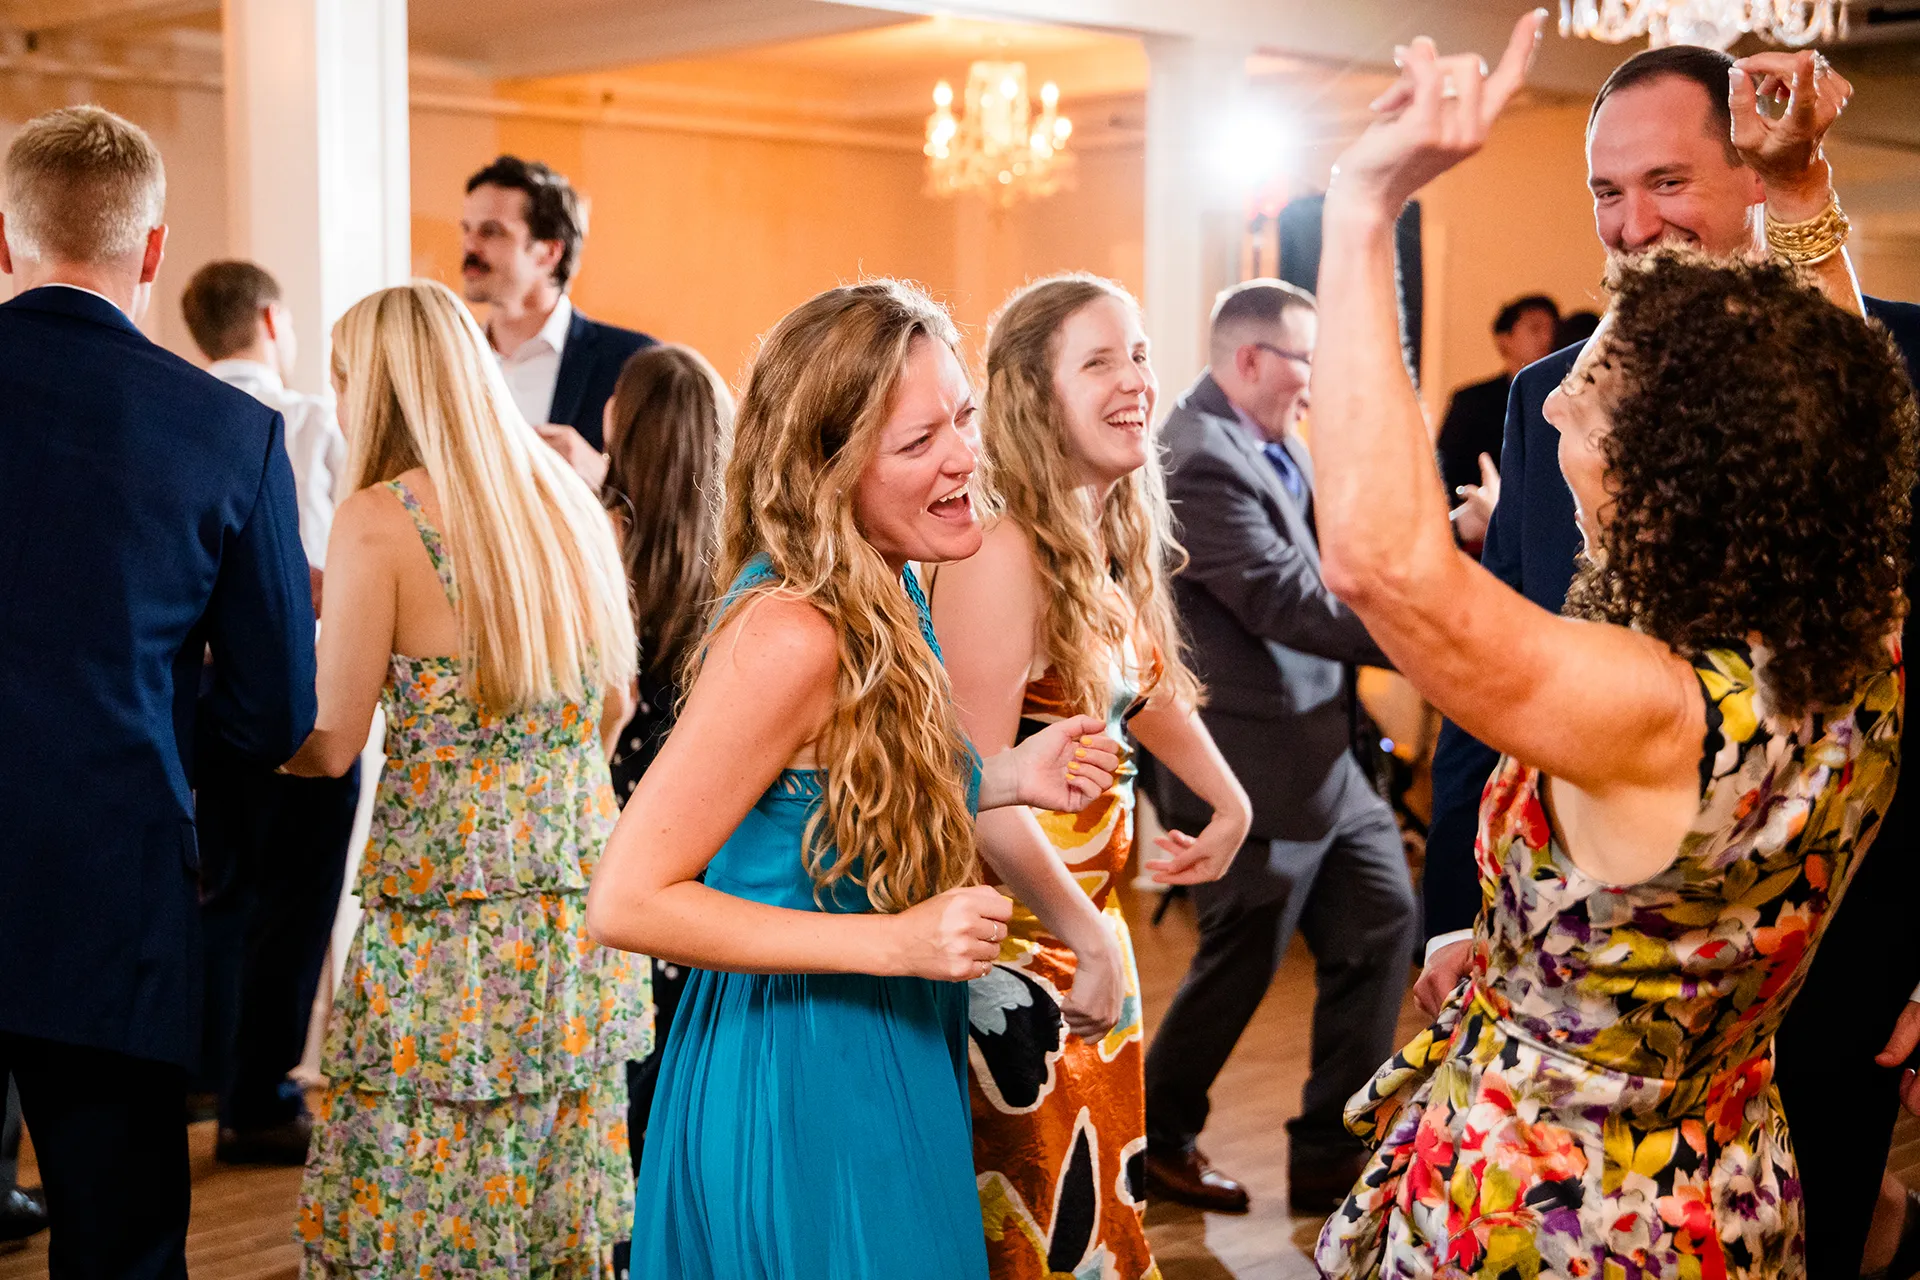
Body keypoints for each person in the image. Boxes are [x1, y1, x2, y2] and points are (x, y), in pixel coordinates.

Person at [1308, 14, 1919, 1277]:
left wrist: (1362, 208)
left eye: (1599, 400)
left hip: (1559, 1210)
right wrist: (1801, 186)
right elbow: (1850, 416)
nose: (1571, 392)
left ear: (1672, 466)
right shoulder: (1854, 652)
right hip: (1725, 1175)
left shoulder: (1651, 710)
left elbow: (1382, 564)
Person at [584, 279, 1126, 1280]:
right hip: (796, 1073)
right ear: (827, 469)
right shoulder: (791, 631)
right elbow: (626, 897)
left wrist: (1000, 775)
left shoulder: (891, 577)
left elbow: (827, 795)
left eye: (962, 418)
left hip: (889, 1044)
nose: (965, 456)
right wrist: (895, 940)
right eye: (919, 442)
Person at [0, 105, 317, 1278]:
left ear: (2, 239)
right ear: (151, 249)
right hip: (111, 879)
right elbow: (275, 708)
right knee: (120, 1240)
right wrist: (171, 746)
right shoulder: (230, 430)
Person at [285, 280, 650, 1278]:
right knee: (548, 1166)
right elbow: (614, 701)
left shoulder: (378, 518)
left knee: (433, 1174)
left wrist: (228, 722)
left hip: (444, 910)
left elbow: (328, 740)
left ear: (380, 386)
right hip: (574, 891)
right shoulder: (566, 498)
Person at [929, 273, 1252, 1278]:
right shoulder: (1002, 551)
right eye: (1100, 360)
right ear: (1035, 394)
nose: (1135, 381)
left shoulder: (1100, 534)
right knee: (1037, 1227)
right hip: (1016, 944)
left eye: (1142, 354)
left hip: (1084, 928)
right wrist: (1081, 930)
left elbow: (1135, 688)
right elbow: (971, 783)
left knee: (1095, 1222)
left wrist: (1230, 796)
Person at [1140, 277, 1419, 1217]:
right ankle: (1158, 1139)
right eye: (1306, 358)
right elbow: (1283, 602)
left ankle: (1330, 1152)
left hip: (1329, 760)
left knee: (1382, 924)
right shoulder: (1195, 457)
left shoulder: (1269, 440)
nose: (1315, 380)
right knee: (1239, 968)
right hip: (1247, 767)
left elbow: (1322, 567)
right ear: (1251, 359)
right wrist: (1435, 634)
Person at [179, 259, 362, 1165]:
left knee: (216, 893)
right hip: (302, 698)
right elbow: (333, 571)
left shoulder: (176, 415)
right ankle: (259, 1095)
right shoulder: (313, 422)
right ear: (269, 319)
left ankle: (205, 1074)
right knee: (295, 905)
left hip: (201, 701)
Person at [596, 343, 734, 1179]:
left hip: (624, 814)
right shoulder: (739, 551)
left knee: (628, 1058)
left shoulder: (598, 534)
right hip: (712, 820)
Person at [461, 155, 656, 481]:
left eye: (491, 232)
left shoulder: (633, 363)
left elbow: (673, 504)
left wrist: (600, 475)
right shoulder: (452, 356)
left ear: (550, 253)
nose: (469, 244)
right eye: (467, 229)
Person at [1433, 293, 1558, 506]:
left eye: (1552, 330)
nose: (1547, 338)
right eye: (1535, 329)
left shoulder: (1562, 400)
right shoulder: (1471, 401)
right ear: (1504, 340)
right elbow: (1444, 474)